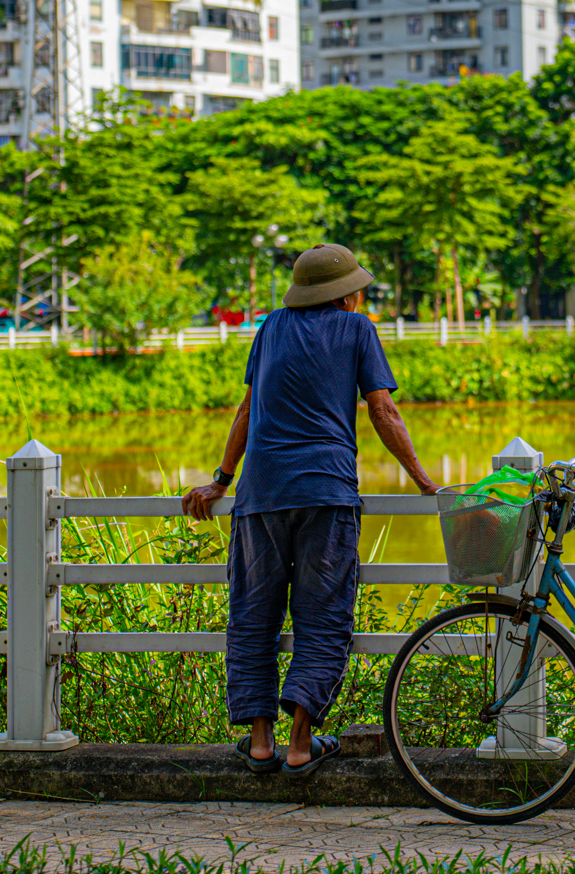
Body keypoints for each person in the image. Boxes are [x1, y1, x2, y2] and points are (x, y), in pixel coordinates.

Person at [181, 242, 440, 778]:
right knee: (323, 617)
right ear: (346, 294)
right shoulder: (358, 330)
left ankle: (259, 743)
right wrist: (422, 480)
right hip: (325, 492)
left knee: (253, 616)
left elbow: (248, 410)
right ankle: (300, 744)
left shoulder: (271, 328)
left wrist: (220, 481)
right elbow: (383, 409)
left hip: (260, 497)